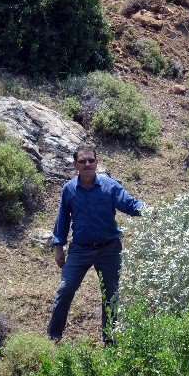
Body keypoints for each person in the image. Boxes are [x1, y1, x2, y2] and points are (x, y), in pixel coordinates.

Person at [47, 145, 146, 344]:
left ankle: (110, 341)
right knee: (65, 290)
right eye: (82, 161)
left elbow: (129, 203)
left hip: (109, 250)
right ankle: (52, 338)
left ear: (97, 162)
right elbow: (62, 220)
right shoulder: (69, 189)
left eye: (91, 160)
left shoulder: (109, 186)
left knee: (111, 296)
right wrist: (59, 247)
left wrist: (146, 209)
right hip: (80, 249)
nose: (87, 164)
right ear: (75, 165)